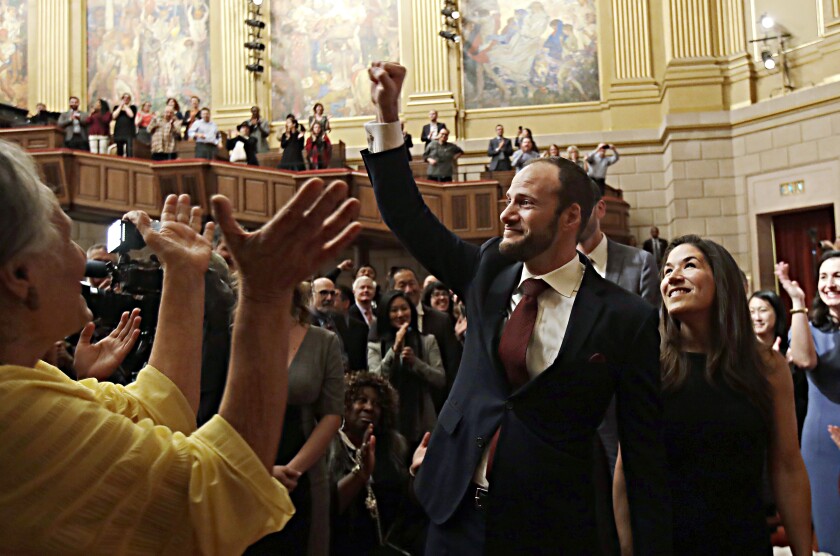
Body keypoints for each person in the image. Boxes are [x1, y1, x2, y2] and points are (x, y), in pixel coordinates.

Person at [363, 62, 672, 554]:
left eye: (525, 203)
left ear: (571, 217)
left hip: (550, 527)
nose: (507, 213)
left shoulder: (625, 318)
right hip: (453, 512)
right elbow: (406, 214)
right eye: (509, 200)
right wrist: (387, 115)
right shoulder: (487, 271)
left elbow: (642, 454)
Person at [0, 138, 363, 553]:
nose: (83, 258)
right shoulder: (13, 412)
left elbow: (160, 407)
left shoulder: (24, 377)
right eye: (66, 239)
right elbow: (219, 490)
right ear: (21, 274)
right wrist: (264, 295)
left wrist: (184, 275)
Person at [614, 236, 812, 556]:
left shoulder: (767, 366)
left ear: (723, 281)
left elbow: (787, 465)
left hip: (741, 539)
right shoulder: (646, 364)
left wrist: (803, 552)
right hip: (666, 542)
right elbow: (627, 470)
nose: (672, 277)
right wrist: (626, 549)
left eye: (689, 265)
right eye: (666, 271)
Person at [245, 283, 344, 556]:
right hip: (249, 462)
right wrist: (262, 470)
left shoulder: (324, 341)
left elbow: (332, 415)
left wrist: (292, 471)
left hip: (305, 469)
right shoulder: (242, 336)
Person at [777, 252, 840, 554]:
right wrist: (797, 301)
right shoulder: (810, 325)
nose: (830, 284)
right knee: (831, 528)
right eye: (824, 277)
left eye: (837, 276)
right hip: (821, 441)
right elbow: (803, 359)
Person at [328, 372, 410, 556]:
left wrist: (414, 473)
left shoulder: (392, 448)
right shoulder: (328, 446)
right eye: (361, 400)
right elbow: (326, 509)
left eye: (377, 404)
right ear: (346, 404)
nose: (369, 407)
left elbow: (403, 505)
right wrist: (360, 474)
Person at [368, 290, 445, 446]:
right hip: (390, 421)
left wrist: (416, 363)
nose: (400, 314)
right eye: (394, 310)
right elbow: (375, 380)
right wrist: (394, 350)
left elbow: (440, 379)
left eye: (404, 308)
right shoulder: (375, 345)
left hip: (422, 420)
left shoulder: (428, 341)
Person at [750, 290, 807, 437]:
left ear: (776, 313)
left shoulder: (790, 351)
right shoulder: (741, 354)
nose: (756, 317)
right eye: (751, 311)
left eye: (762, 310)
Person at [333, 285, 371, 372]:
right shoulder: (319, 324)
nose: (329, 298)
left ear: (346, 303)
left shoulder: (361, 328)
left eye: (334, 295)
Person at [112, 92, 137, 157]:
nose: (125, 99)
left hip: (129, 132)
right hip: (119, 132)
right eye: (124, 98)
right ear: (122, 99)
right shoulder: (116, 107)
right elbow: (114, 116)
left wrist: (125, 106)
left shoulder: (133, 107)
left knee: (129, 151)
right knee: (119, 152)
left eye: (127, 98)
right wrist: (120, 106)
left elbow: (131, 115)